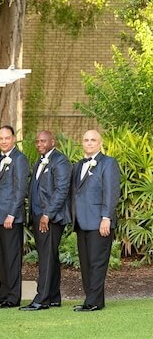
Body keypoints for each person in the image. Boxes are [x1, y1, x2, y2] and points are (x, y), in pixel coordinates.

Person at [20, 131, 71, 311]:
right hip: (38, 216)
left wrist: (47, 214)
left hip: (50, 218)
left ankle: (41, 299)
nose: (39, 144)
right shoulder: (40, 160)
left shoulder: (60, 161)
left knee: (46, 258)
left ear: (52, 142)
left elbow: (61, 190)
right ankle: (53, 297)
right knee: (50, 256)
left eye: (43, 141)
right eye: (37, 141)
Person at [71, 130, 120, 312]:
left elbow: (111, 192)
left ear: (100, 143)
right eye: (86, 140)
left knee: (97, 263)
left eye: (93, 140)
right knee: (85, 264)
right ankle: (94, 300)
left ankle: (91, 302)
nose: (89, 143)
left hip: (100, 222)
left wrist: (106, 217)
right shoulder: (77, 166)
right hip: (81, 222)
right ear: (82, 143)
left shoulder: (108, 163)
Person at [0, 125, 30, 308]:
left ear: (13, 139)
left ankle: (13, 297)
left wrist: (11, 214)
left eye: (7, 138)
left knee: (12, 259)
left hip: (10, 217)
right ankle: (3, 292)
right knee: (2, 257)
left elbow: (20, 189)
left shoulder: (19, 159)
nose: (3, 141)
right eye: (1, 139)